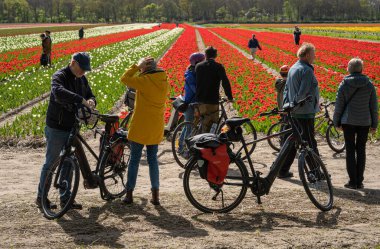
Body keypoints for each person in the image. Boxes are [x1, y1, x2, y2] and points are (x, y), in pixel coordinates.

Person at [36, 52, 96, 210]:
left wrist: (91, 100)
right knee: (51, 164)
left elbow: (90, 94)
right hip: (57, 126)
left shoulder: (81, 78)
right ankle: (41, 199)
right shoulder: (60, 76)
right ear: (73, 63)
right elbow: (58, 92)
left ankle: (65, 198)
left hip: (72, 127)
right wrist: (79, 99)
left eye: (85, 70)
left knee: (70, 163)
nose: (83, 72)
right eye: (81, 68)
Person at [120, 57, 169, 206]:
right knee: (152, 160)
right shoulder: (164, 80)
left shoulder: (145, 81)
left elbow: (124, 78)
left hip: (141, 126)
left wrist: (136, 66)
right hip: (156, 126)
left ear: (145, 69)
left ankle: (129, 195)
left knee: (134, 160)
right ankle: (155, 196)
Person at [333, 58, 378, 189]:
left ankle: (353, 181)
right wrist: (374, 124)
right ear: (361, 69)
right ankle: (360, 181)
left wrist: (336, 122)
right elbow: (374, 107)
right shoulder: (369, 85)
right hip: (364, 122)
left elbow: (339, 105)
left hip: (349, 121)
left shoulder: (344, 84)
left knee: (350, 150)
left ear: (349, 69)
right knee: (361, 150)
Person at [280, 43, 320, 178]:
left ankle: (282, 170)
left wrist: (288, 105)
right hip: (304, 112)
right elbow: (303, 92)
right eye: (313, 54)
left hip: (294, 111)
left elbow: (287, 89)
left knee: (292, 142)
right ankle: (316, 171)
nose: (315, 56)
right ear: (307, 55)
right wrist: (296, 104)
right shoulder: (307, 70)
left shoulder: (293, 68)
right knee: (309, 142)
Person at [195, 46, 233, 133]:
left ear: (205, 55)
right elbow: (225, 82)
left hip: (199, 99)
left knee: (202, 122)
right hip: (212, 99)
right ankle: (207, 143)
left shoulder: (198, 66)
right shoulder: (218, 67)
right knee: (212, 124)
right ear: (216, 55)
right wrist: (229, 96)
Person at [178, 52, 206, 158]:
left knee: (188, 126)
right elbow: (196, 89)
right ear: (197, 62)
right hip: (190, 104)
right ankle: (182, 148)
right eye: (202, 61)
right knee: (188, 127)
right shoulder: (190, 75)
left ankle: (182, 147)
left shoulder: (193, 72)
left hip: (193, 103)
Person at [275, 65, 290, 146]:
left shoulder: (278, 82)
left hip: (280, 106)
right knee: (286, 124)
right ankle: (283, 140)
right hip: (286, 106)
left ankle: (281, 138)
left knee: (283, 122)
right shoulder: (288, 83)